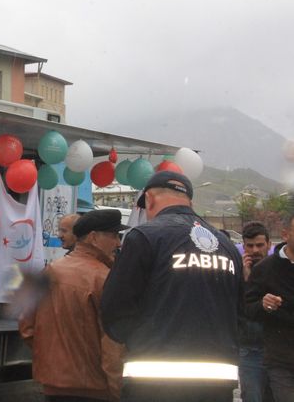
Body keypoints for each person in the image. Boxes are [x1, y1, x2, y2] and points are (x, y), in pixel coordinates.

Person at [101, 171, 243, 402]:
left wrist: (140, 339)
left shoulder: (144, 237)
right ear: (190, 203)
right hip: (216, 382)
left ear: (149, 200)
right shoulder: (226, 245)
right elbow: (241, 313)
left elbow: (114, 307)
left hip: (153, 381)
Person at [20, 209, 126, 402]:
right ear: (94, 237)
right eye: (114, 235)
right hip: (94, 387)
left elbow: (26, 326)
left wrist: (51, 359)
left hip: (53, 384)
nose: (118, 243)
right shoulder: (105, 279)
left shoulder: (49, 271)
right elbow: (112, 345)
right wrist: (117, 390)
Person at [245, 214, 294, 402]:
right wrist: (263, 305)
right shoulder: (265, 269)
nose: (255, 250)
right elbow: (248, 307)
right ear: (285, 234)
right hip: (281, 360)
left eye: (259, 245)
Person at [239, 221, 274, 402]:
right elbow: (240, 308)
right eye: (250, 246)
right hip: (249, 349)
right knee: (252, 396)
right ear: (244, 246)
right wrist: (246, 280)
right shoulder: (237, 274)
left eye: (260, 245)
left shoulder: (277, 270)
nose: (255, 250)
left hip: (277, 349)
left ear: (269, 244)